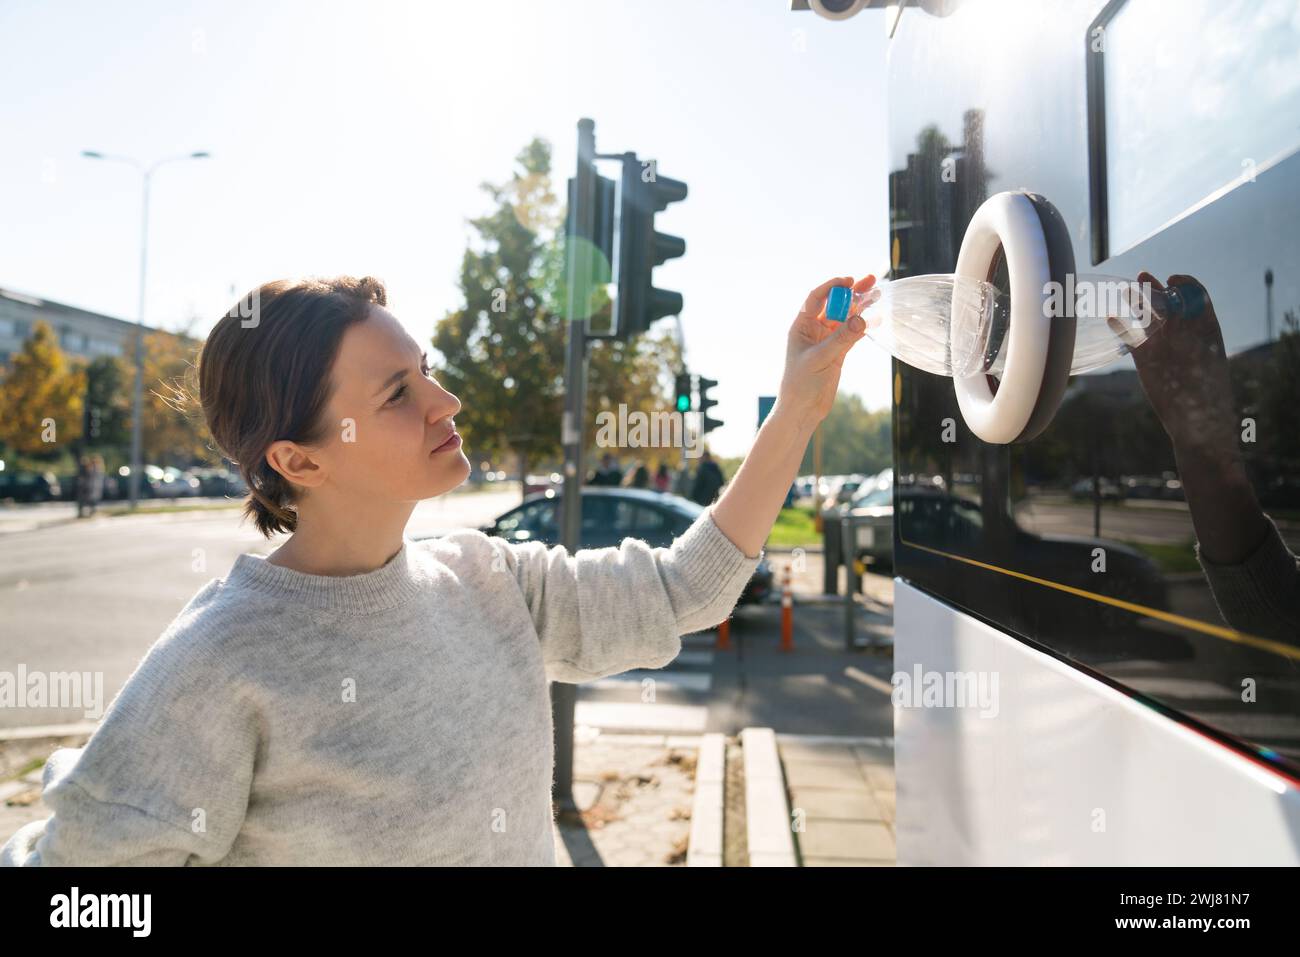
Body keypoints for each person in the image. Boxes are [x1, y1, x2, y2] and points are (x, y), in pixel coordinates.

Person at [1, 272, 872, 867]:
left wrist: (797, 405)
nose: (445, 402)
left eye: (428, 372)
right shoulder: (219, 661)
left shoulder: (490, 578)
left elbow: (692, 586)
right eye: (396, 393)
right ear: (299, 461)